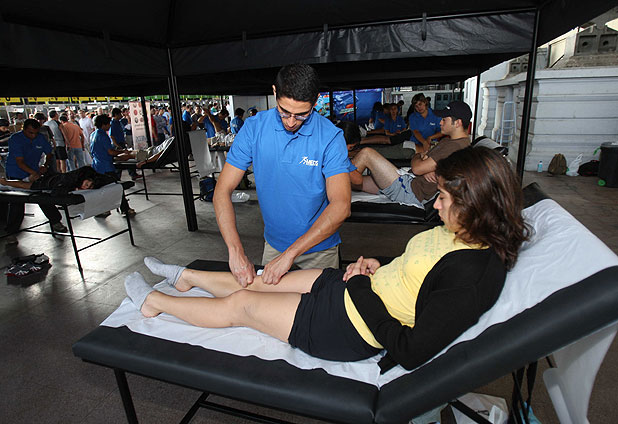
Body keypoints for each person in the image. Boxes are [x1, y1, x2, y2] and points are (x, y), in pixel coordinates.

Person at [124, 147, 528, 372]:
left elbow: (409, 350)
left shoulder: (473, 275)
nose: (436, 205)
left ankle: (154, 303)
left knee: (243, 304)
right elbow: (416, 268)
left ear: (476, 204)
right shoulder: (461, 230)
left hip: (348, 327)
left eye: (444, 198)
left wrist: (361, 286)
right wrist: (376, 263)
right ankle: (188, 277)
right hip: (354, 288)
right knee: (263, 278)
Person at [214, 63, 353, 287]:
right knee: (261, 303)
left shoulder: (330, 137)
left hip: (319, 249)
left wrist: (290, 255)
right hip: (274, 245)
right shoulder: (254, 129)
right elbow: (222, 190)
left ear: (315, 101)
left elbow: (341, 205)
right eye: (284, 111)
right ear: (274, 92)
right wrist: (235, 250)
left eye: (301, 115)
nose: (290, 122)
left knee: (319, 305)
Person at [350, 100, 472, 209]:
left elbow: (417, 168)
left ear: (457, 123)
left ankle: (339, 195)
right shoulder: (451, 141)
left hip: (410, 190)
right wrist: (424, 163)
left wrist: (419, 158)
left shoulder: (455, 147)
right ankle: (339, 184)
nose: (440, 122)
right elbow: (423, 160)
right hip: (410, 180)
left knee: (366, 153)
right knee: (355, 182)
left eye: (444, 120)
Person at [2, 119, 68, 244]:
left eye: (35, 133)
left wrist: (44, 165)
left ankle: (55, 222)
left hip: (34, 171)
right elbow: (19, 161)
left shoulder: (40, 138)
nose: (33, 135)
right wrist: (33, 173)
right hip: (16, 173)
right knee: (17, 202)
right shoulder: (15, 139)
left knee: (42, 197)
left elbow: (49, 153)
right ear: (24, 129)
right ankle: (11, 232)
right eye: (30, 132)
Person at [89, 114, 135, 216]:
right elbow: (110, 152)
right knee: (117, 188)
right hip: (106, 167)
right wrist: (123, 152)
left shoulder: (93, 135)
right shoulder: (103, 136)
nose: (109, 126)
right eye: (108, 124)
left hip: (97, 166)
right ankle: (125, 209)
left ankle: (100, 210)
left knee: (100, 190)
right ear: (103, 125)